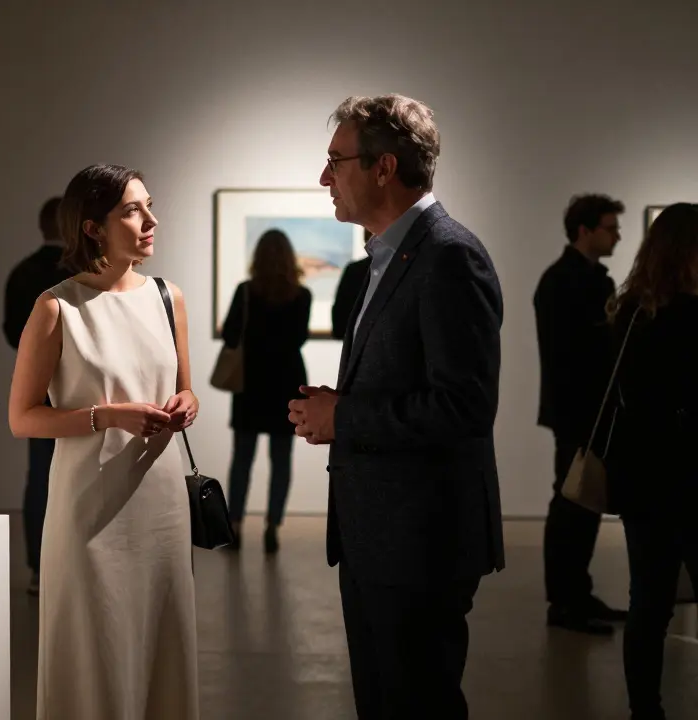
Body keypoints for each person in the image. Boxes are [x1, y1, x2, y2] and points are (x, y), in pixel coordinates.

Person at [288, 94, 505, 720]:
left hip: (421, 542)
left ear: (384, 167)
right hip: (379, 537)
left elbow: (464, 405)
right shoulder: (382, 259)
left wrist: (344, 416)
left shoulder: (448, 257)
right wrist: (335, 409)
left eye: (337, 161)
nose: (324, 178)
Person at [9, 164, 199, 719]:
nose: (151, 220)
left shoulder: (169, 297)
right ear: (93, 227)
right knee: (98, 650)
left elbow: (185, 389)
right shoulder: (56, 307)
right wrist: (106, 415)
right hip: (89, 509)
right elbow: (23, 418)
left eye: (148, 205)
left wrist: (187, 403)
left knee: (160, 647)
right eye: (132, 210)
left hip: (162, 508)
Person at [604, 202, 698, 720]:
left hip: (643, 478)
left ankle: (647, 710)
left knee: (650, 604)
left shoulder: (631, 311)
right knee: (652, 604)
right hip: (685, 476)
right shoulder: (688, 314)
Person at [534, 193, 628, 634]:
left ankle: (579, 594)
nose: (618, 235)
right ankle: (564, 602)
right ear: (585, 230)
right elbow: (566, 359)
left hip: (594, 414)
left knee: (585, 503)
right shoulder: (560, 282)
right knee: (571, 503)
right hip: (577, 415)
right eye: (610, 227)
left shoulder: (594, 280)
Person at [219, 228, 311, 552]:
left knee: (242, 458)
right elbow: (298, 339)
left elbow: (230, 335)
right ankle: (272, 526)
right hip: (286, 384)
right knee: (281, 459)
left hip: (250, 385)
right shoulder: (302, 295)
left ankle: (235, 525)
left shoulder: (245, 291)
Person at [2, 196, 73, 595]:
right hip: (78, 389)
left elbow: (12, 331)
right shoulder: (82, 273)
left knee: (40, 478)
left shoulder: (22, 272)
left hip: (38, 387)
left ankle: (37, 567)